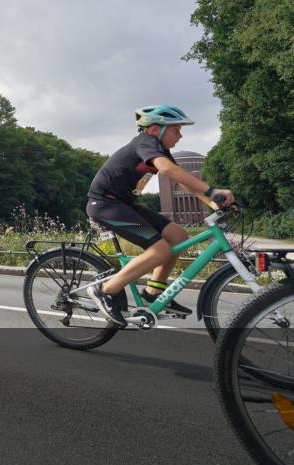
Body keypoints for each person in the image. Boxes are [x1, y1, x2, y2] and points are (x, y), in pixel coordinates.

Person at [85, 105, 235, 326]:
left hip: (123, 203)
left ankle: (154, 292)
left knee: (178, 236)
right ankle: (105, 290)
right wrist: (212, 190)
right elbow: (166, 170)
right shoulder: (146, 142)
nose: (180, 135)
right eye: (176, 130)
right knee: (159, 250)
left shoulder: (160, 150)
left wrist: (214, 203)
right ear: (155, 129)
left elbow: (183, 181)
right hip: (104, 204)